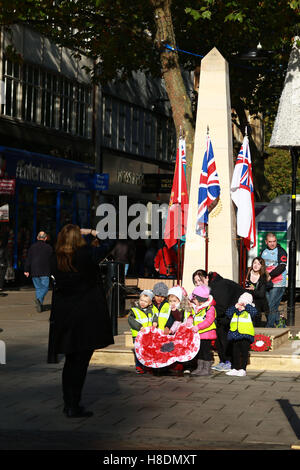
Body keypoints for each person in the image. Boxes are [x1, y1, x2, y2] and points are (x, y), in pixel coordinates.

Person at [49, 224, 114, 418]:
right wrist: (93, 232)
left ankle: (68, 403)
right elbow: (110, 242)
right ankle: (74, 404)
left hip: (64, 317)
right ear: (79, 238)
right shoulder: (85, 255)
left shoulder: (56, 257)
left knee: (70, 361)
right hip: (85, 316)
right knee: (80, 362)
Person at [192, 269, 246, 372]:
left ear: (207, 278)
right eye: (196, 282)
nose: (198, 284)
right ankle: (223, 361)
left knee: (224, 336)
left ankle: (228, 361)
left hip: (233, 312)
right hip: (223, 314)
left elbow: (221, 305)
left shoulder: (218, 286)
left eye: (200, 280)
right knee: (219, 337)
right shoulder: (207, 289)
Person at [225, 292, 258, 377]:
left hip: (246, 335)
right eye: (240, 303)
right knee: (235, 352)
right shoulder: (235, 311)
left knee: (244, 352)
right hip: (235, 335)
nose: (241, 306)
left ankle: (243, 369)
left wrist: (246, 305)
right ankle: (235, 368)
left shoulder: (249, 311)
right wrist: (235, 306)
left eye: (243, 304)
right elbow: (228, 313)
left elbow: (254, 312)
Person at [189, 285, 217, 376]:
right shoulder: (196, 308)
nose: (193, 301)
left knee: (206, 352)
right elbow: (192, 317)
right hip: (198, 334)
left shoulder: (209, 308)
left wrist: (198, 327)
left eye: (195, 299)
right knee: (200, 352)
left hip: (206, 334)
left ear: (200, 300)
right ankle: (200, 367)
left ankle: (207, 369)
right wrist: (189, 322)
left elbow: (209, 321)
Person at [260, 232, 287, 327]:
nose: (272, 244)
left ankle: (269, 327)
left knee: (271, 306)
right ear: (266, 242)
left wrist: (270, 275)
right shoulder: (263, 252)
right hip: (267, 283)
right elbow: (261, 266)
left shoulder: (281, 251)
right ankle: (282, 326)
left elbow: (282, 267)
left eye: (274, 241)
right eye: (270, 242)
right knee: (271, 307)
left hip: (278, 284)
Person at [128, 289, 157, 375]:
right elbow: (131, 320)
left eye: (145, 301)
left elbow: (155, 316)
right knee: (139, 351)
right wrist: (139, 327)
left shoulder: (153, 310)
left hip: (148, 335)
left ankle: (148, 366)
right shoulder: (134, 310)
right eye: (141, 300)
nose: (142, 303)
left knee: (148, 351)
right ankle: (139, 366)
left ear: (150, 303)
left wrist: (155, 322)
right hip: (138, 335)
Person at [24, 231, 53, 312]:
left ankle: (39, 305)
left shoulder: (32, 247)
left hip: (34, 271)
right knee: (45, 288)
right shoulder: (49, 247)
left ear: (37, 238)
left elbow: (28, 259)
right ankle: (39, 301)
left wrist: (26, 270)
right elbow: (51, 260)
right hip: (45, 271)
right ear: (46, 238)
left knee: (38, 288)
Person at [245, 257, 273, 326]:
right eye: (254, 263)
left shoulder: (262, 277)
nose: (256, 265)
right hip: (247, 299)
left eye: (259, 264)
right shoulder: (247, 273)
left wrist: (253, 289)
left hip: (259, 300)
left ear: (261, 266)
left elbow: (261, 294)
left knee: (258, 317)